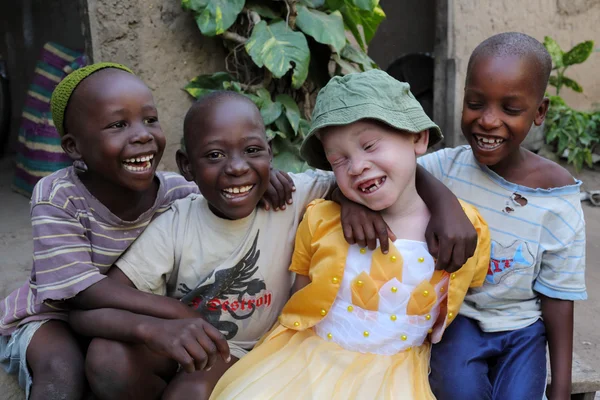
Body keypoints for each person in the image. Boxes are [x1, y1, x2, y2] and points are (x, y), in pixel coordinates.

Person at [71, 89, 484, 400]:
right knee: (108, 359)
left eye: (251, 152)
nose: (236, 168)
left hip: (255, 353)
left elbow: (377, 176)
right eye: (214, 155)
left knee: (191, 393)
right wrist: (161, 324)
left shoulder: (298, 195)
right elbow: (86, 312)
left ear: (271, 155)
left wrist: (373, 203)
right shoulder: (176, 226)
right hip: (204, 346)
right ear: (186, 167)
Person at [0, 63, 296, 400]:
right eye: (118, 124)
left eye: (150, 119)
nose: (142, 134)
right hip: (55, 316)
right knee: (62, 370)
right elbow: (81, 294)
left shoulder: (175, 190)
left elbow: (225, 184)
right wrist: (175, 315)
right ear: (74, 147)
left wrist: (261, 177)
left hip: (123, 318)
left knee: (117, 363)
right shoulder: (57, 197)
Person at [209, 70, 491, 400]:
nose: (356, 167)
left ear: (418, 138)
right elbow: (303, 299)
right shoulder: (321, 219)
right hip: (309, 363)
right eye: (339, 160)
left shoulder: (467, 228)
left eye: (369, 145)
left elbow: (467, 296)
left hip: (398, 377)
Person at [420, 32, 587, 400]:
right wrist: (444, 200)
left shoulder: (557, 200)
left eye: (510, 109)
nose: (488, 121)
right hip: (458, 320)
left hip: (523, 329)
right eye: (475, 103)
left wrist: (560, 389)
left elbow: (558, 298)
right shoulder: (446, 168)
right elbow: (395, 173)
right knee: (457, 391)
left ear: (539, 112)